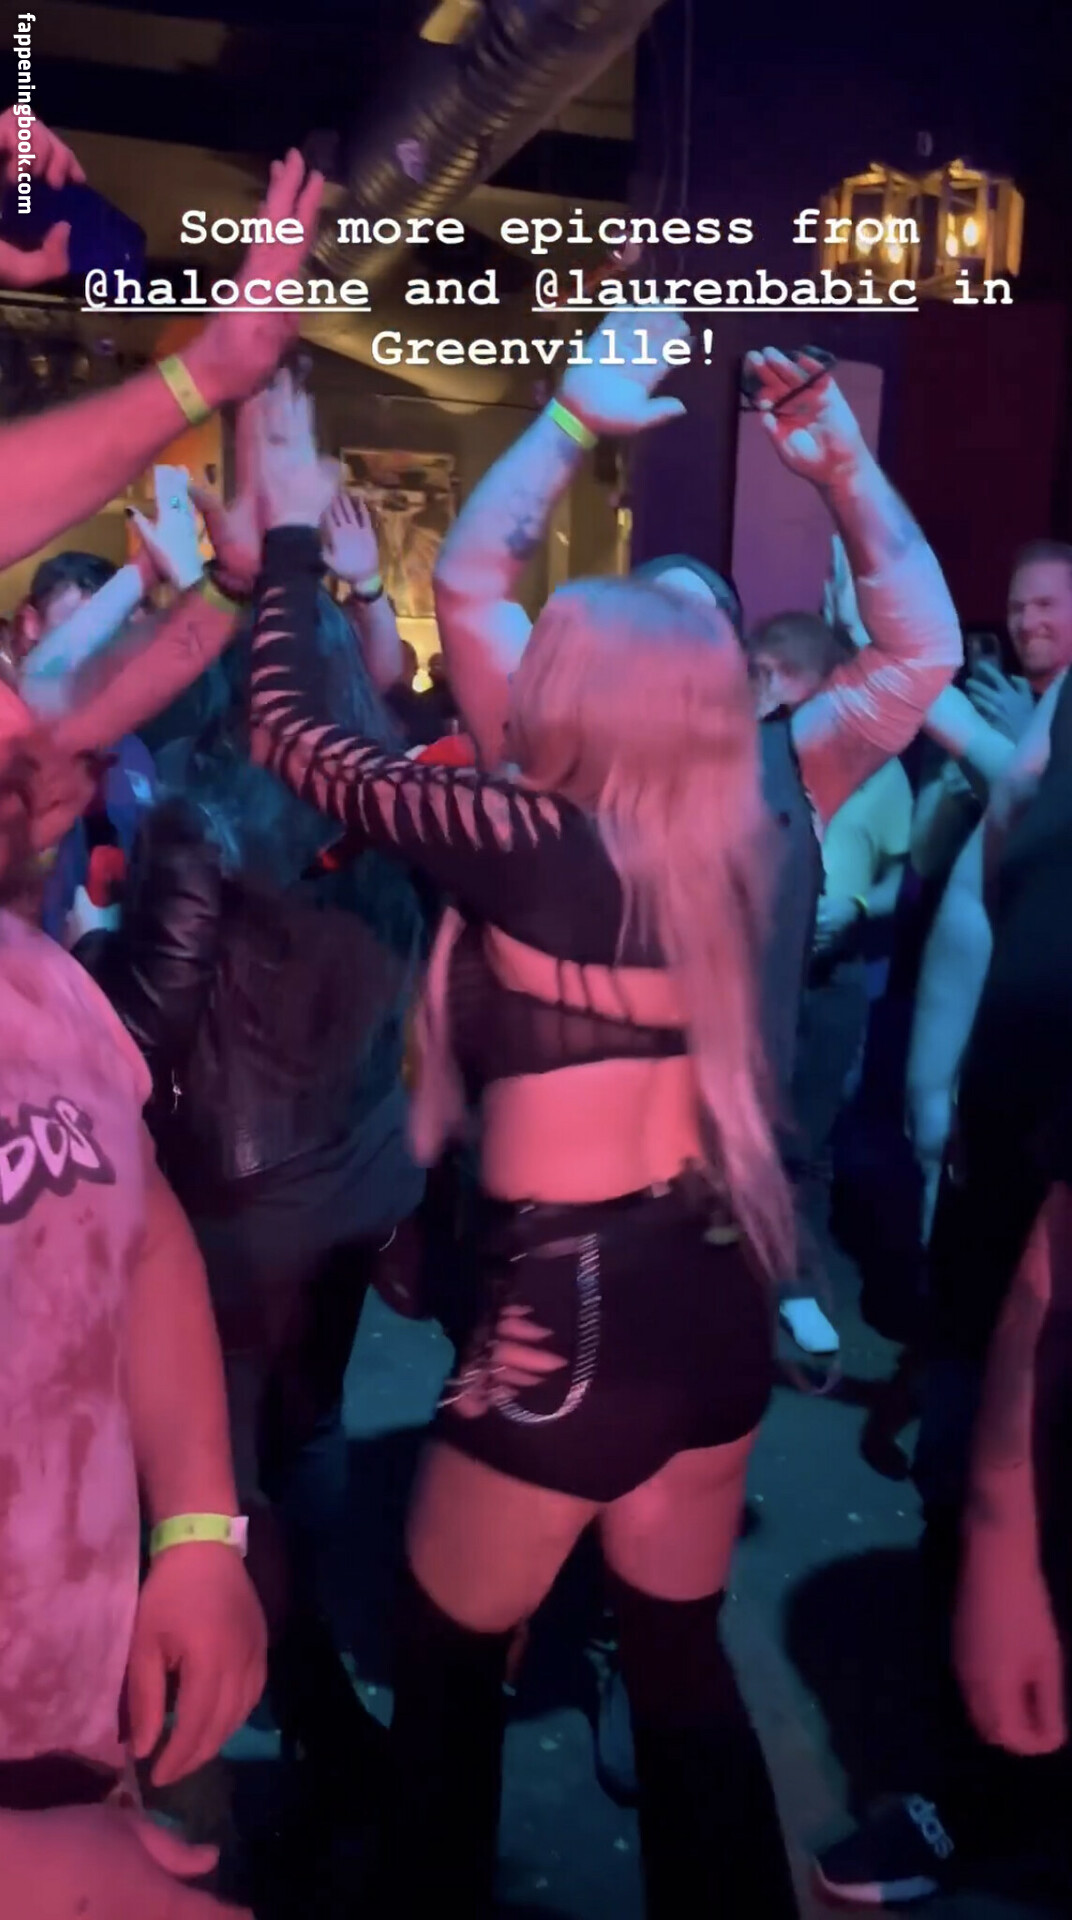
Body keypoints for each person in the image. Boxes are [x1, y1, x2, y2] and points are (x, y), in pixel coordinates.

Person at [0, 703, 265, 1919]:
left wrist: (200, 1537)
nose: (36, 729)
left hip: (99, 1713)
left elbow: (144, 1234)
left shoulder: (40, 977)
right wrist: (37, 1873)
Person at [748, 610, 912, 1355]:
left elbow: (902, 875)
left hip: (829, 978)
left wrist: (855, 908)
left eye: (776, 674)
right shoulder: (744, 760)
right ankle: (735, 1283)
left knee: (808, 1138)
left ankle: (799, 1285)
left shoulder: (876, 768)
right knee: (737, 1133)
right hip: (754, 974)